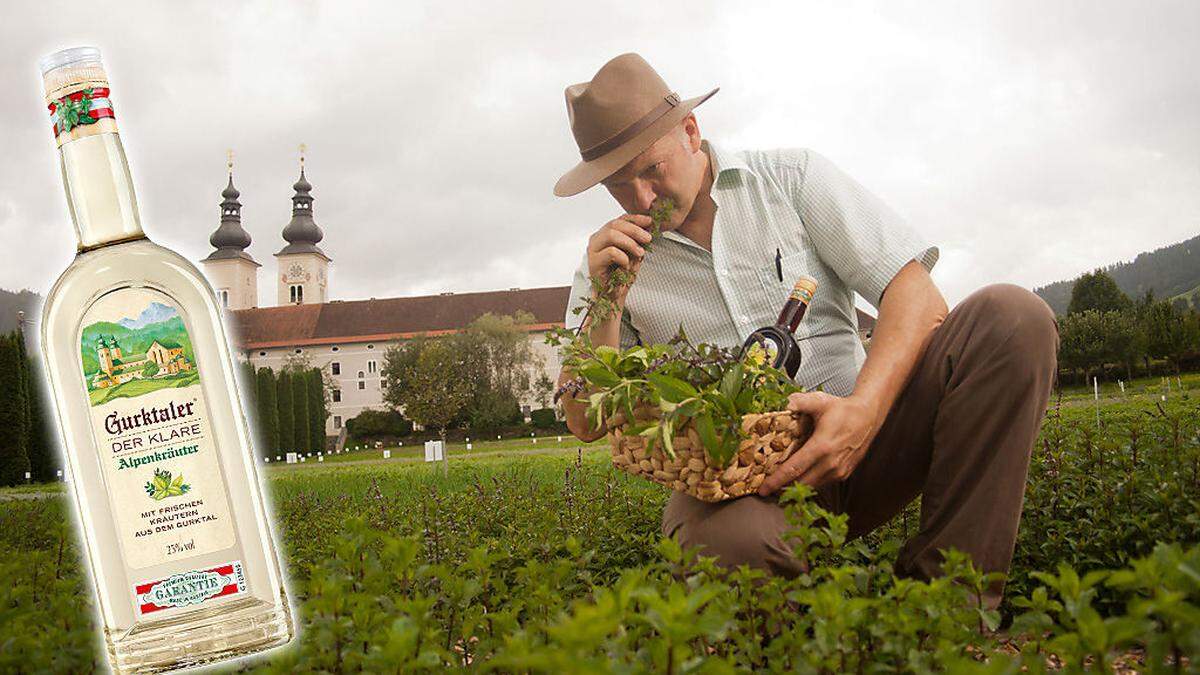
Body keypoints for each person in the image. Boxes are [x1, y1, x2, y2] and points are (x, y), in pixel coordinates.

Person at [553, 53, 1058, 607]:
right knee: (724, 545)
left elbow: (915, 294)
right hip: (742, 483)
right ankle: (803, 643)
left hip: (872, 432)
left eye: (652, 170)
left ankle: (945, 612)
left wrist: (862, 413)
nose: (643, 200)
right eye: (619, 186)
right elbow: (583, 420)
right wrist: (606, 304)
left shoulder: (790, 181)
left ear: (691, 132)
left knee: (1012, 320)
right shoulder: (608, 263)